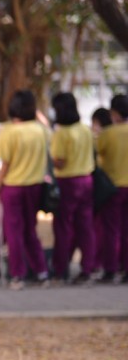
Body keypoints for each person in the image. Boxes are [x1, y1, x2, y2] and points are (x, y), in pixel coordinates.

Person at [0, 90, 50, 290]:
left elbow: (4, 165)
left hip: (13, 187)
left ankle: (18, 274)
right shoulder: (41, 130)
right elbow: (48, 128)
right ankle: (42, 271)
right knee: (30, 230)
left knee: (14, 232)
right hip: (35, 186)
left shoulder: (9, 132)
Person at [49, 92, 97, 284]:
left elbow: (59, 162)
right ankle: (88, 269)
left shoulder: (61, 133)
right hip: (86, 180)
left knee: (62, 227)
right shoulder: (85, 130)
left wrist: (51, 161)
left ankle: (61, 269)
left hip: (67, 182)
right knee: (85, 227)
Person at [95, 94, 128, 282]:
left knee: (111, 231)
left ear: (113, 112)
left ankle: (110, 269)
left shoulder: (108, 134)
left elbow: (97, 154)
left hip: (113, 188)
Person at [91, 107, 114, 276]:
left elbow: (97, 156)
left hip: (108, 188)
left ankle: (106, 267)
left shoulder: (105, 136)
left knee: (106, 230)